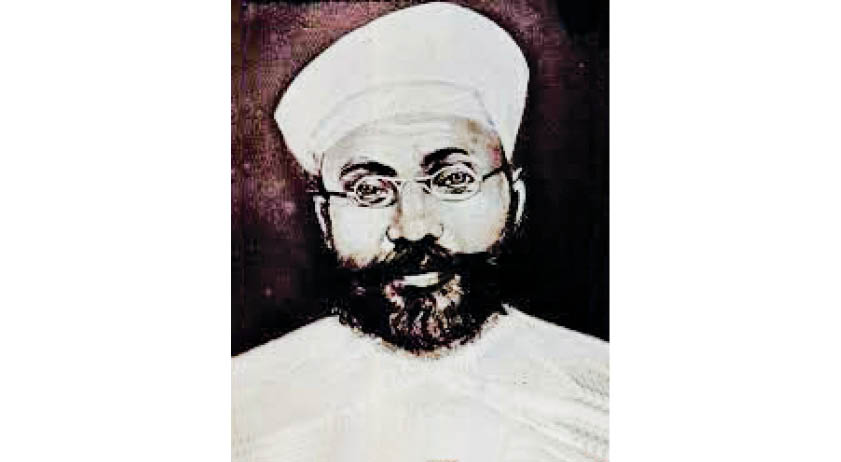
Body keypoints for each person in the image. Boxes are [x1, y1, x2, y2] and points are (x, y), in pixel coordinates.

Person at [232, 3, 608, 461]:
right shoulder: (242, 412)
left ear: (515, 200)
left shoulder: (603, 399)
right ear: (326, 219)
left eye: (453, 180)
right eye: (370, 190)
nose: (413, 226)